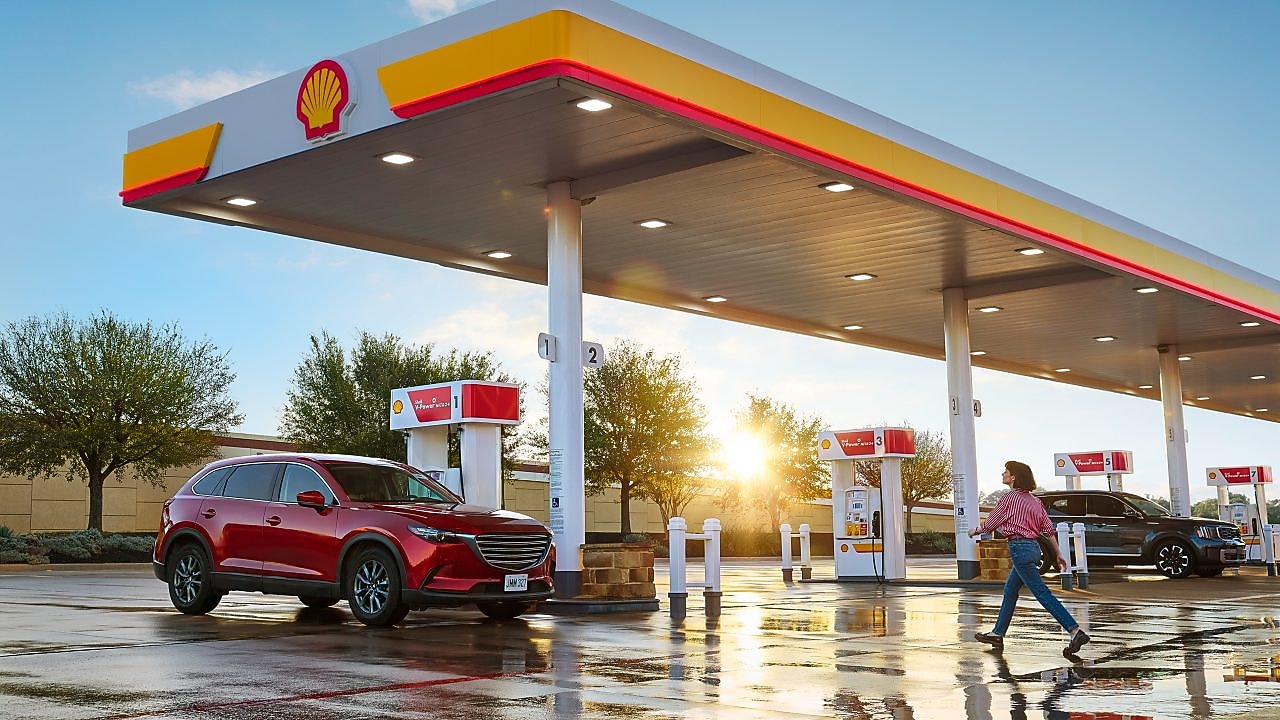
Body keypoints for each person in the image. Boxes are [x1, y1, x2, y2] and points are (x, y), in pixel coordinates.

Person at [967, 460, 1090, 657]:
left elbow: (991, 522)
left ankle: (1075, 631)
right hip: (1033, 548)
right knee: (1010, 591)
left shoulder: (1009, 499)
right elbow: (1048, 530)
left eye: (1005, 472)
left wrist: (975, 531)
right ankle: (998, 633)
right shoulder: (1035, 502)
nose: (1002, 474)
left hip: (1019, 548)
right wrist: (1058, 553)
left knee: (1042, 593)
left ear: (1013, 477)